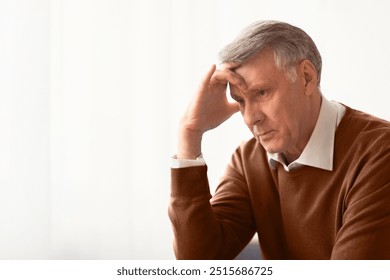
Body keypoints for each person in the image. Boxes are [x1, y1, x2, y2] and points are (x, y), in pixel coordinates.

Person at [168, 20, 390, 259]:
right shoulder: (248, 160)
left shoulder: (379, 154)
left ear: (306, 78)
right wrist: (190, 134)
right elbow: (197, 261)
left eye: (261, 93)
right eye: (240, 101)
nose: (250, 118)